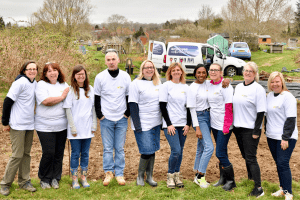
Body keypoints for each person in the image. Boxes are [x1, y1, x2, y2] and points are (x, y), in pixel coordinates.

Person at [0, 61, 38, 196]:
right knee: (17, 155)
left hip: (29, 125)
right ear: (24, 70)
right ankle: (5, 184)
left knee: (26, 154)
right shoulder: (20, 83)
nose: (32, 71)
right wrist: (5, 122)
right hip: (17, 125)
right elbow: (7, 101)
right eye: (29, 69)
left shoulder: (35, 83)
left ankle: (24, 182)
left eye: (34, 69)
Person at [94, 49, 131, 186]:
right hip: (106, 119)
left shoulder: (125, 76)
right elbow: (96, 98)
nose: (111, 62)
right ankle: (108, 173)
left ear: (118, 60)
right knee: (108, 148)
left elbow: (129, 97)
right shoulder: (100, 77)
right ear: (105, 61)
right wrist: (100, 116)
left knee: (119, 148)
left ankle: (119, 174)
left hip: (121, 118)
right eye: (108, 60)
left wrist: (127, 114)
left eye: (113, 59)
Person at [232, 62, 266, 197]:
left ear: (255, 74)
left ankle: (259, 188)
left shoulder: (258, 89)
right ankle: (251, 179)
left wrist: (257, 130)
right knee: (245, 156)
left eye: (250, 71)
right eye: (246, 70)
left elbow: (261, 111)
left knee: (251, 158)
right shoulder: (239, 87)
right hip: (238, 127)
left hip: (250, 129)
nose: (247, 73)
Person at [35, 62, 69, 189]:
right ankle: (44, 178)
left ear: (59, 72)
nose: (52, 73)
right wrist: (62, 97)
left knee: (59, 153)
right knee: (49, 152)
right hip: (45, 126)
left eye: (55, 70)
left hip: (62, 126)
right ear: (45, 74)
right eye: (49, 71)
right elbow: (45, 101)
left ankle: (56, 178)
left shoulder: (64, 85)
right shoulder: (41, 85)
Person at [63, 65, 97, 189]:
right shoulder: (71, 90)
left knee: (85, 153)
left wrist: (94, 125)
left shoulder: (90, 89)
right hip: (75, 129)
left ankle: (84, 177)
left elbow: (93, 108)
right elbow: (68, 109)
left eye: (82, 74)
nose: (81, 76)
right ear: (74, 76)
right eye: (78, 74)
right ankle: (74, 179)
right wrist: (72, 127)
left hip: (88, 128)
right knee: (75, 153)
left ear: (85, 75)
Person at [129, 60, 161, 187]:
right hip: (143, 122)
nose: (149, 69)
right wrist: (137, 125)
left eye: (151, 67)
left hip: (156, 122)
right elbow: (132, 104)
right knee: (146, 150)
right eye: (147, 67)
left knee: (152, 149)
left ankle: (150, 177)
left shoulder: (158, 83)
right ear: (142, 70)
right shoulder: (136, 84)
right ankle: (140, 176)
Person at [266, 72, 297, 200]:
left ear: (282, 82)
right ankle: (283, 189)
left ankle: (288, 192)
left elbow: (291, 119)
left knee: (283, 163)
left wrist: (285, 138)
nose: (275, 84)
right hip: (271, 136)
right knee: (278, 163)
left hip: (285, 137)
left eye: (277, 81)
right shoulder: (269, 96)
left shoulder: (287, 97)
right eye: (272, 82)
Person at [159, 62, 191, 189]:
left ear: (181, 72)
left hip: (183, 124)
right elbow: (162, 106)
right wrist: (169, 124)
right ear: (170, 73)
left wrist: (188, 124)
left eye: (178, 70)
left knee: (180, 150)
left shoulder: (186, 87)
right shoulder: (166, 86)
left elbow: (188, 107)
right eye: (174, 70)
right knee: (176, 150)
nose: (176, 72)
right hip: (170, 125)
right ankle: (170, 175)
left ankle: (177, 175)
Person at [207, 63, 235, 191]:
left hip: (224, 124)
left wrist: (227, 126)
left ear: (221, 72)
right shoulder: (209, 84)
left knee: (219, 153)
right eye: (211, 70)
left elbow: (229, 107)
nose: (213, 72)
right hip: (214, 124)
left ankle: (231, 180)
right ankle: (222, 178)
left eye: (216, 70)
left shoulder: (226, 86)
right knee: (222, 152)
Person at [187, 64, 214, 189]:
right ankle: (200, 177)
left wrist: (227, 80)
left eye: (204, 72)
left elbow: (219, 81)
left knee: (201, 148)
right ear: (195, 74)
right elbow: (192, 109)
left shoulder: (208, 84)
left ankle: (197, 173)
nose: (201, 75)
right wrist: (197, 127)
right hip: (199, 117)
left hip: (209, 116)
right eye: (199, 72)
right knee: (209, 147)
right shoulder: (193, 87)